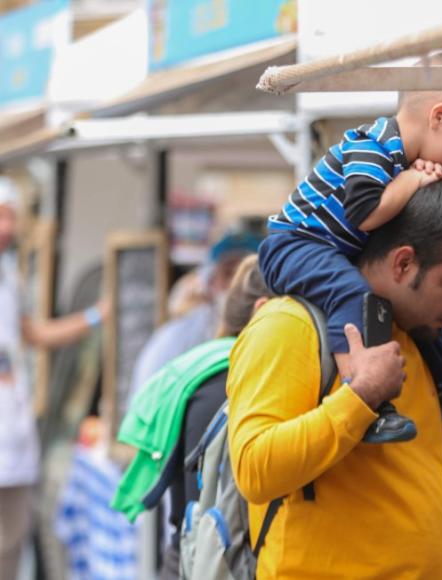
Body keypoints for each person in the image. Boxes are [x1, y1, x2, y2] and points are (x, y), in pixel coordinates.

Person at [228, 181, 442, 577]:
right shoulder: (289, 326)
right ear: (403, 263)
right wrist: (360, 398)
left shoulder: (412, 337)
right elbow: (255, 470)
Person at [258, 51, 442, 443]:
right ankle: (364, 389)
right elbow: (365, 212)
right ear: (439, 116)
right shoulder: (373, 145)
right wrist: (413, 181)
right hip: (294, 244)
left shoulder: (397, 160)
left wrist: (413, 177)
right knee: (352, 293)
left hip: (328, 246)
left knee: (422, 307)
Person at [112, 255, 274, 580]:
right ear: (262, 310)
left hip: (182, 556)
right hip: (222, 563)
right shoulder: (242, 379)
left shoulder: (193, 369)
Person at [0, 176, 108, 580]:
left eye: (12, 218)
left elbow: (34, 335)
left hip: (12, 431)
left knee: (11, 540)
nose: (7, 228)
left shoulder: (10, 278)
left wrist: (97, 315)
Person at [127, 230, 261, 403]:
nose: (236, 284)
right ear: (209, 282)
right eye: (228, 273)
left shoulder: (274, 333)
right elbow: (144, 404)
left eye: (246, 276)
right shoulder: (174, 339)